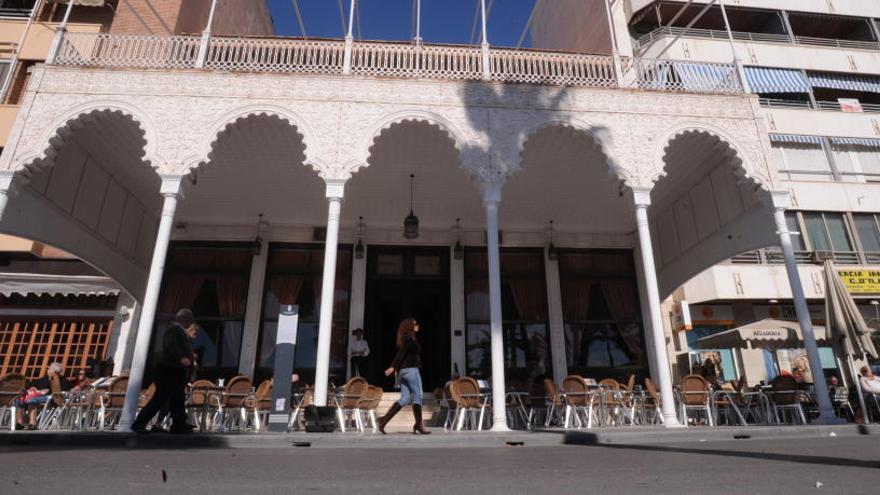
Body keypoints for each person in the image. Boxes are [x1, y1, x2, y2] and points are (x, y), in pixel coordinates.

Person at [131, 308, 197, 434]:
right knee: (160, 397)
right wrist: (182, 357)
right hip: (169, 370)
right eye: (189, 318)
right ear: (182, 318)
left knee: (178, 398)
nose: (191, 321)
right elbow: (171, 345)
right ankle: (139, 423)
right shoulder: (174, 329)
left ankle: (179, 425)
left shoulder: (179, 330)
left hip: (176, 370)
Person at [377, 318, 430, 435]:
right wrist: (392, 367)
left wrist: (395, 369)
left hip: (403, 373)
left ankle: (384, 421)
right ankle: (419, 425)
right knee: (418, 396)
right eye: (415, 324)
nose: (418, 325)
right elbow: (401, 353)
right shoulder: (409, 340)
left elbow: (402, 354)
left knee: (405, 399)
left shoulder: (406, 340)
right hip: (411, 371)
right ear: (410, 326)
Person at [15, 362, 72, 430]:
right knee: (19, 400)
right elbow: (32, 384)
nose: (47, 370)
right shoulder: (44, 379)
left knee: (32, 400)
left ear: (55, 371)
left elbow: (62, 392)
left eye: (49, 369)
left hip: (53, 398)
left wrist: (46, 391)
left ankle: (32, 424)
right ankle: (20, 423)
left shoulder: (63, 380)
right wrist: (30, 388)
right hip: (40, 397)